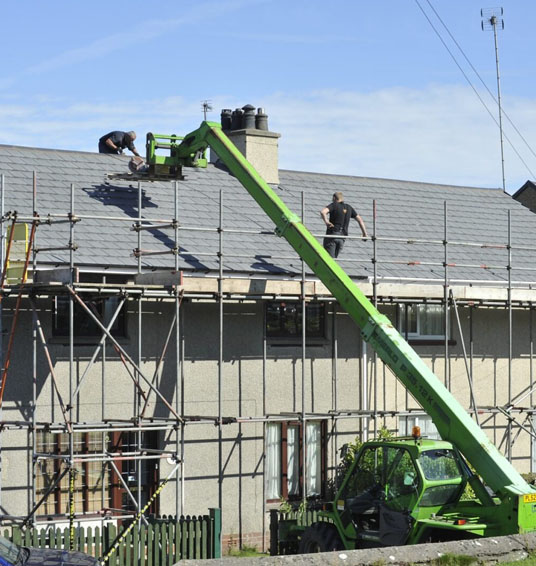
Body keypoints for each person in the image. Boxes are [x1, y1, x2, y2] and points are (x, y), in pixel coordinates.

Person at [320, 192, 367, 258]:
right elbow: (360, 220)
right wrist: (364, 234)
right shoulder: (349, 207)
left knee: (329, 260)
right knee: (334, 260)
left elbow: (323, 212)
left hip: (332, 235)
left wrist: (326, 222)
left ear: (334, 198)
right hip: (342, 238)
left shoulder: (334, 205)